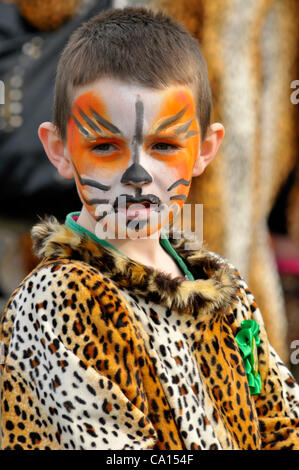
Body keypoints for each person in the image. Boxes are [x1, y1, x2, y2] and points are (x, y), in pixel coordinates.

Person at [1, 7, 299, 451]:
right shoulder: (63, 299)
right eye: (105, 146)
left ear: (205, 149)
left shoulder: (221, 287)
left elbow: (283, 424)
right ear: (59, 149)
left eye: (164, 145)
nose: (138, 174)